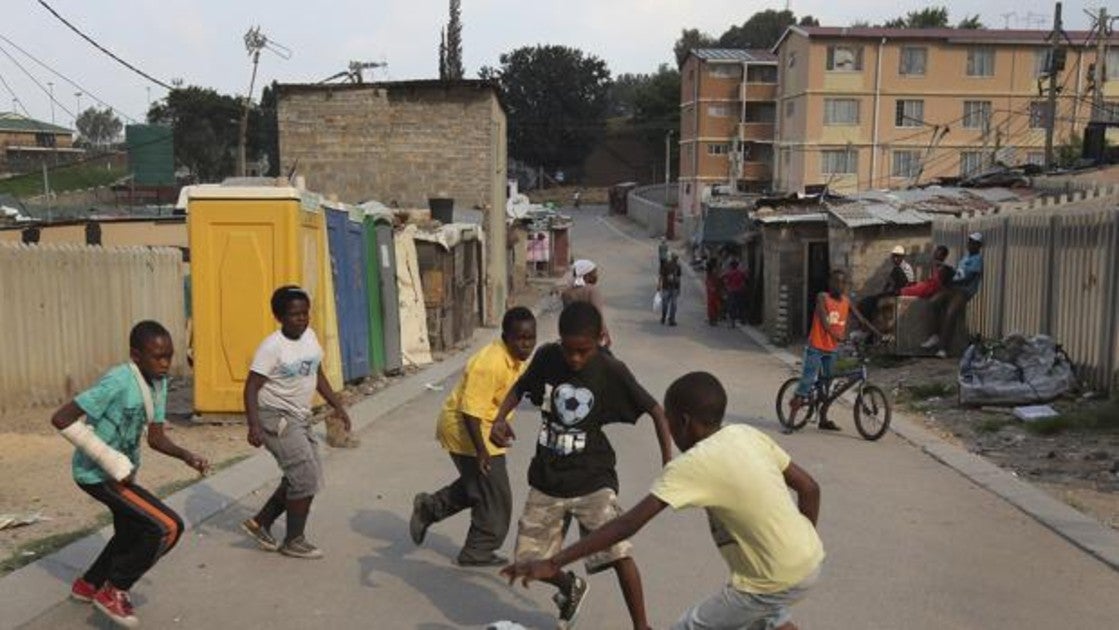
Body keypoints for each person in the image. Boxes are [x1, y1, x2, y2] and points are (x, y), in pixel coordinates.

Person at [502, 372, 824, 630]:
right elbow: (810, 489)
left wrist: (553, 561)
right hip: (809, 560)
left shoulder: (695, 463)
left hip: (768, 580)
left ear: (685, 423)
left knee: (692, 625)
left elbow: (627, 524)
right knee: (766, 616)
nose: (669, 430)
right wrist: (800, 543)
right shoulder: (746, 434)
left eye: (669, 422)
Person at [489, 301, 674, 630]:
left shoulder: (609, 369)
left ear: (600, 340)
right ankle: (568, 587)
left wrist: (668, 464)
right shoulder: (547, 357)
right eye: (568, 349)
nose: (574, 359)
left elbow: (656, 411)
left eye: (583, 351)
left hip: (593, 479)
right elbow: (520, 387)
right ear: (559, 340)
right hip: (547, 478)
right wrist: (500, 418)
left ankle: (642, 626)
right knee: (528, 561)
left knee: (617, 552)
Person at [52, 320, 209, 629]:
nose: (165, 364)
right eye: (157, 357)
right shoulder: (118, 381)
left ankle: (89, 585)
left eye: (169, 356)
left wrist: (186, 456)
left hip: (123, 474)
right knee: (167, 527)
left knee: (130, 533)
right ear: (136, 356)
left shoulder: (158, 383)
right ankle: (114, 589)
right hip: (96, 473)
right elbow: (61, 418)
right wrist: (107, 458)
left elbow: (155, 438)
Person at [410, 307, 538, 566]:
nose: (526, 345)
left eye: (530, 338)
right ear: (506, 336)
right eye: (520, 338)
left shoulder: (514, 359)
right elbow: (470, 411)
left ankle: (430, 508)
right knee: (496, 497)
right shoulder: (491, 363)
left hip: (485, 426)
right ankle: (477, 551)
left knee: (479, 485)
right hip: (466, 429)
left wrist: (501, 421)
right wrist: (481, 450)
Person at [240, 286, 352, 560]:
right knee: (305, 477)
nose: (301, 319)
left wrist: (338, 405)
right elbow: (251, 388)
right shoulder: (272, 347)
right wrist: (254, 426)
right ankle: (294, 540)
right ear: (279, 316)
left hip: (299, 416)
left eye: (305, 313)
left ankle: (260, 522)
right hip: (275, 417)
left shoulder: (310, 337)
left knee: (306, 474)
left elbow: (318, 373)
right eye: (294, 315)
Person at [788, 269, 881, 431]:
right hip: (816, 347)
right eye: (836, 282)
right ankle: (790, 421)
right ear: (830, 283)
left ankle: (823, 419)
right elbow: (824, 320)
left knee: (828, 386)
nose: (840, 285)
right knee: (808, 381)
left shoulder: (846, 301)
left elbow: (861, 319)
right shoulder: (822, 297)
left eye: (843, 282)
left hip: (832, 349)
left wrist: (878, 333)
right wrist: (835, 335)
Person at [922, 233, 984, 358]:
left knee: (951, 313)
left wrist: (951, 280)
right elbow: (958, 273)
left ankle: (943, 348)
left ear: (979, 246)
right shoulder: (965, 258)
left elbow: (968, 279)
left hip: (964, 291)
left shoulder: (977, 260)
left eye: (973, 243)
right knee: (934, 302)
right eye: (969, 242)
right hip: (954, 288)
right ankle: (934, 336)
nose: (970, 245)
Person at [856, 246, 914, 325]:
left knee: (871, 302)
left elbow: (889, 284)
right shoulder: (906, 267)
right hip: (900, 293)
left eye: (897, 256)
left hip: (899, 293)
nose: (895, 259)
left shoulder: (899, 269)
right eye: (894, 256)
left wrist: (883, 293)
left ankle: (869, 323)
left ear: (902, 257)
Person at [561, 259, 611, 348]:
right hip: (589, 333)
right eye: (594, 273)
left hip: (571, 332)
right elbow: (597, 314)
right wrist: (605, 332)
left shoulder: (566, 292)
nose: (596, 276)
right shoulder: (592, 290)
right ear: (586, 276)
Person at [658, 252, 682, 326]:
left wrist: (679, 288)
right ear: (672, 258)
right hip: (666, 287)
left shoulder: (678, 266)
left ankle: (672, 319)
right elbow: (661, 275)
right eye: (675, 258)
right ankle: (664, 317)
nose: (675, 259)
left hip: (674, 287)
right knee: (666, 304)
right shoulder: (666, 265)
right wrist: (659, 284)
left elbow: (679, 278)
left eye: (676, 258)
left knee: (673, 305)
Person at [720, 260, 748, 326]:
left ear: (731, 266)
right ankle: (742, 319)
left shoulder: (729, 273)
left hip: (731, 291)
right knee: (740, 305)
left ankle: (733, 321)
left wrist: (726, 284)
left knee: (732, 306)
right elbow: (746, 279)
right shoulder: (741, 273)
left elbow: (721, 277)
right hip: (740, 291)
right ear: (737, 266)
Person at [704, 258, 723, 326]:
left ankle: (712, 319)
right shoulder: (714, 272)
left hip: (711, 291)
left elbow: (707, 282)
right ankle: (714, 319)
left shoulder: (710, 272)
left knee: (711, 305)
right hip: (714, 291)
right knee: (715, 305)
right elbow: (717, 281)